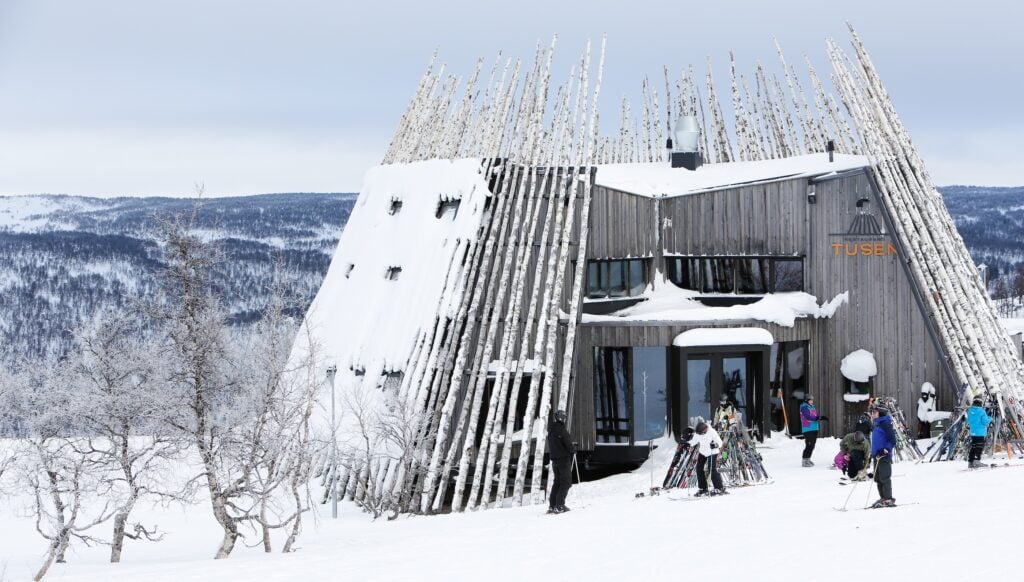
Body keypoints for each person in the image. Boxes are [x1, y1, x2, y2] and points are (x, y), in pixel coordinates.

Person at [546, 409, 576, 514]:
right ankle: (559, 505)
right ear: (561, 418)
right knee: (566, 482)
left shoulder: (551, 430)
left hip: (555, 460)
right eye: (563, 417)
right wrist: (573, 449)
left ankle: (552, 505)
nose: (564, 419)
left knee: (557, 482)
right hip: (563, 459)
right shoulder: (562, 430)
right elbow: (567, 443)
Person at [869, 404, 897, 508]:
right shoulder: (876, 424)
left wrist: (886, 449)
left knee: (885, 477)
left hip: (884, 456)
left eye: (875, 412)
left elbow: (892, 440)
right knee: (877, 478)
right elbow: (876, 441)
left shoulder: (885, 423)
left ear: (880, 413)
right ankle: (883, 497)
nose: (873, 414)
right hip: (877, 455)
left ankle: (888, 498)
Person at [690, 420, 727, 496]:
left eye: (702, 433)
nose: (701, 434)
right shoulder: (698, 433)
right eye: (699, 433)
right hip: (703, 452)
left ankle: (719, 488)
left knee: (712, 469)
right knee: (699, 469)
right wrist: (688, 444)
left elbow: (720, 443)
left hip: (712, 452)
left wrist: (715, 445)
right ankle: (703, 489)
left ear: (705, 429)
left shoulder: (712, 432)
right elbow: (693, 441)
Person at [799, 395, 828, 467]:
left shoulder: (812, 407)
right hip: (808, 429)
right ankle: (804, 460)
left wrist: (821, 418)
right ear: (806, 400)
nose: (812, 401)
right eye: (810, 400)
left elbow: (815, 416)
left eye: (812, 400)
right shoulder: (804, 407)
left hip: (814, 428)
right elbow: (808, 417)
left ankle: (808, 459)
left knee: (812, 445)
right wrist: (818, 417)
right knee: (809, 444)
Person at [965, 396, 992, 470]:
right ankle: (977, 462)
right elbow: (985, 422)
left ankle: (970, 462)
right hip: (980, 433)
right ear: (980, 402)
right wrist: (990, 418)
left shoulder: (970, 410)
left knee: (973, 447)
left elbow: (968, 421)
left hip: (973, 432)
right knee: (979, 447)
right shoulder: (981, 411)